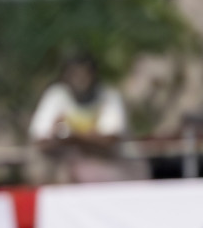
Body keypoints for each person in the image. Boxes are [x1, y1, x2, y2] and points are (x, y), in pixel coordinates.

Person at [29, 53, 142, 183]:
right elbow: (40, 142)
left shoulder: (109, 96)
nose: (81, 81)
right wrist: (86, 138)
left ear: (94, 75)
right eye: (75, 75)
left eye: (85, 75)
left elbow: (109, 141)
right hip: (66, 168)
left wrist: (73, 137)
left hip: (104, 166)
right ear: (65, 77)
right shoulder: (56, 95)